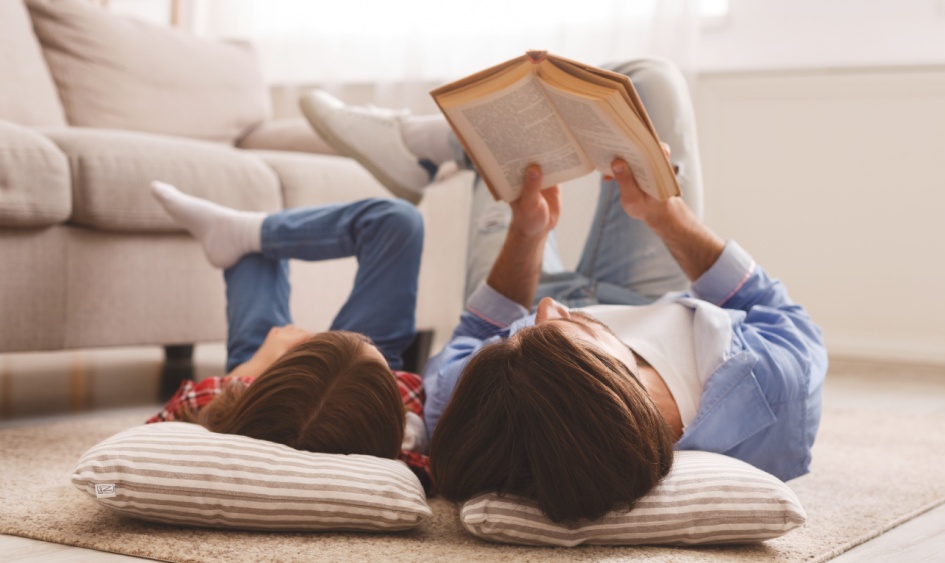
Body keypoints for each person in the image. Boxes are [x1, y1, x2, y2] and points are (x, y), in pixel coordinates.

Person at [299, 58, 827, 522]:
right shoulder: (776, 394)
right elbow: (770, 305)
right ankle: (439, 145)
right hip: (648, 287)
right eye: (560, 334)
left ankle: (425, 147)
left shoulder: (487, 403)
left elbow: (478, 332)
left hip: (519, 276)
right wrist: (668, 218)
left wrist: (527, 235)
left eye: (523, 335)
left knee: (511, 160)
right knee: (652, 80)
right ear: (613, 380)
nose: (548, 308)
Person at [145, 182, 432, 491]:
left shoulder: (228, 398)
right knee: (397, 221)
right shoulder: (405, 429)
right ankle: (246, 231)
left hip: (259, 379)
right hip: (347, 382)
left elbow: (146, 443)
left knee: (249, 253)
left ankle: (243, 232)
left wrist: (254, 367)